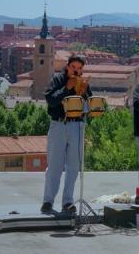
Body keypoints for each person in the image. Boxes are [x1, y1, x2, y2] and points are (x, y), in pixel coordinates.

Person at [41, 55, 92, 213]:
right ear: (67, 67)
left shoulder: (83, 83)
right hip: (59, 124)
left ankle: (68, 202)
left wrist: (84, 94)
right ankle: (48, 201)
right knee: (55, 166)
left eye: (79, 69)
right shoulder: (58, 79)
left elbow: (89, 106)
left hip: (77, 125)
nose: (76, 72)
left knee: (74, 167)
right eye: (73, 68)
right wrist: (66, 88)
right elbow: (51, 100)